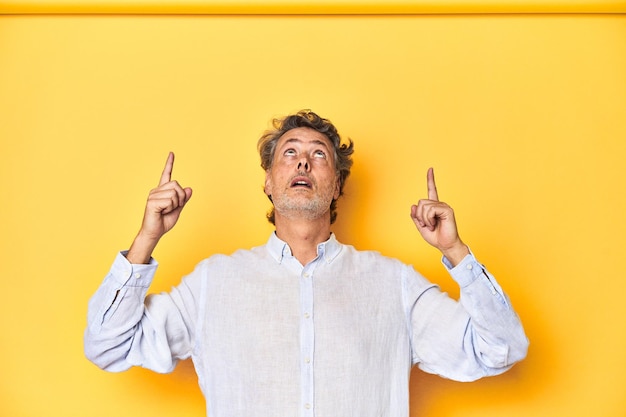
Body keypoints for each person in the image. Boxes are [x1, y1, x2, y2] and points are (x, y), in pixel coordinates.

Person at [84, 110, 528, 417]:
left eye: (319, 154)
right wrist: (147, 238)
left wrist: (456, 252)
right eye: (289, 153)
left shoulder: (393, 284)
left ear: (336, 186)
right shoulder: (213, 284)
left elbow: (501, 348)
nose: (303, 161)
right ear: (269, 182)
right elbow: (107, 345)